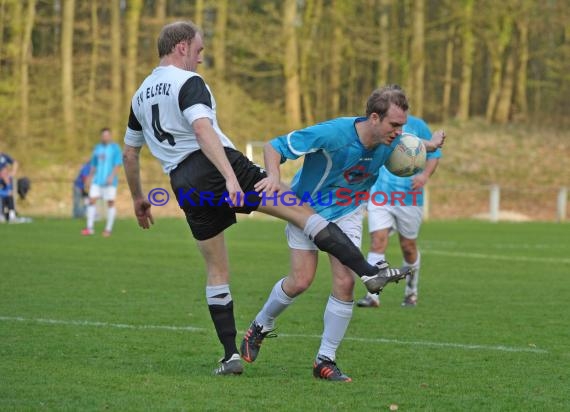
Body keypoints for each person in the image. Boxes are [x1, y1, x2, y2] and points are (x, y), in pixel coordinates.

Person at [122, 21, 407, 376]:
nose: (201, 56)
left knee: (217, 269)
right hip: (218, 166)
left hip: (183, 182)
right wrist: (229, 177)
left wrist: (138, 198)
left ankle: (230, 357)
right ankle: (369, 271)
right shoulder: (188, 82)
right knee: (303, 214)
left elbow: (130, 154)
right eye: (199, 49)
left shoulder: (139, 94)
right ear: (181, 47)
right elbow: (201, 129)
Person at [240, 89, 445, 381]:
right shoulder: (333, 134)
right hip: (306, 209)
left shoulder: (392, 139)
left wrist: (431, 143)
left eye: (402, 125)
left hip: (348, 211)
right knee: (300, 281)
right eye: (394, 125)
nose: (400, 133)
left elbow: (411, 142)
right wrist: (273, 176)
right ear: (374, 118)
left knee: (345, 282)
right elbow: (275, 146)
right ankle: (260, 324)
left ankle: (325, 360)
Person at [357, 115, 443, 308]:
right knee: (378, 241)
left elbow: (434, 155)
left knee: (408, 247)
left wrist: (424, 176)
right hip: (380, 196)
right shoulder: (379, 126)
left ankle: (411, 292)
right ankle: (373, 295)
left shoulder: (418, 126)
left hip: (409, 197)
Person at [81, 128, 122, 237]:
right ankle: (89, 228)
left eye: (107, 135)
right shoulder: (97, 148)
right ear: (101, 137)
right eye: (103, 136)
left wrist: (111, 176)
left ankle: (108, 229)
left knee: (110, 202)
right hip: (97, 180)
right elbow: (94, 165)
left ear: (110, 136)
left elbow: (118, 164)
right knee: (91, 201)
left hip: (110, 182)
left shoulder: (115, 148)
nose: (105, 137)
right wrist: (89, 178)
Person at [0, 151, 19, 223]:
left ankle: (12, 215)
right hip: (1, 196)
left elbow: (15, 162)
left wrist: (13, 172)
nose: (4, 172)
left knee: (10, 197)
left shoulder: (8, 179)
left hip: (5, 195)